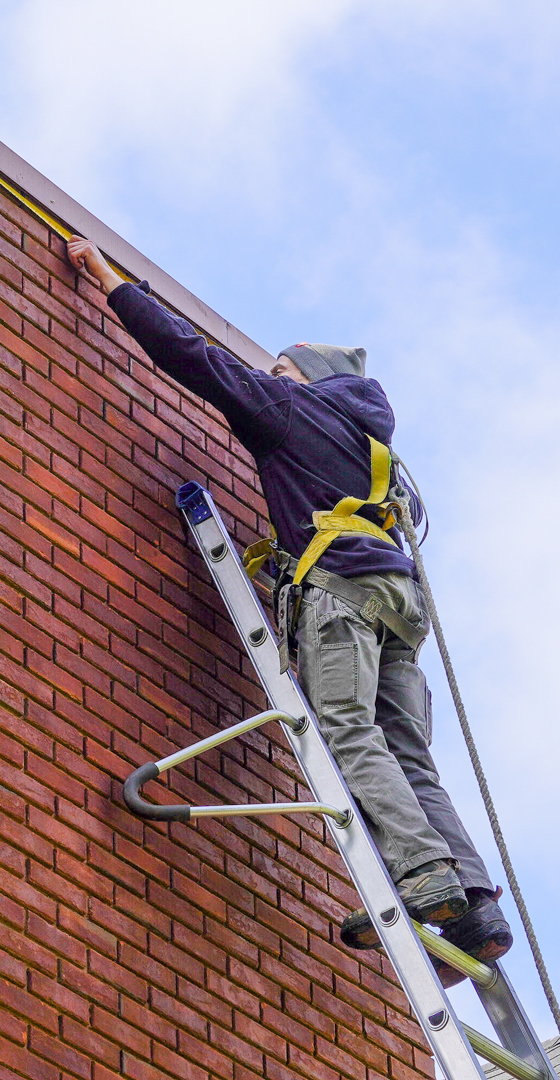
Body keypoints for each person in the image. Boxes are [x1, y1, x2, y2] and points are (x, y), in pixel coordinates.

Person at [66, 236, 512, 981]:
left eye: (279, 371)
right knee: (407, 754)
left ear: (305, 380)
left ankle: (424, 877)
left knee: (345, 729)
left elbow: (197, 361)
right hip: (396, 607)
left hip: (341, 592)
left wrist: (113, 284)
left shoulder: (295, 411)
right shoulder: (370, 447)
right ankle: (474, 908)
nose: (267, 380)